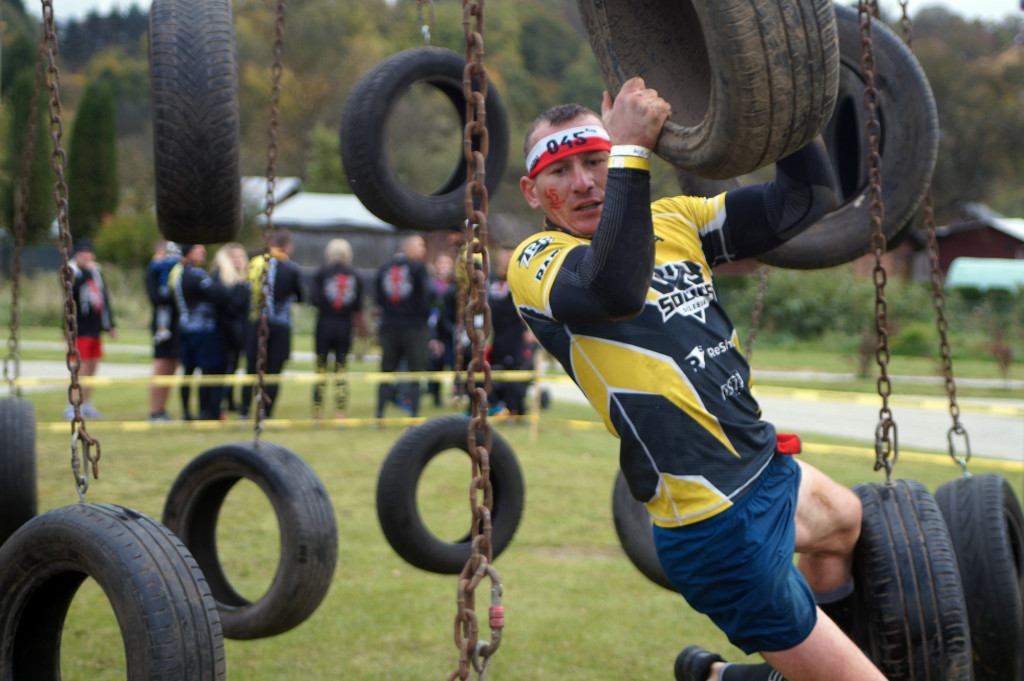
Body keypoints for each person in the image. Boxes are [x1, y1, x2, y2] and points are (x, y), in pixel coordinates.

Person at [507, 78, 884, 681]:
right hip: (713, 522)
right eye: (560, 171)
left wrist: (772, 83)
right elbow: (613, 286)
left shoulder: (676, 221)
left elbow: (805, 199)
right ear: (533, 191)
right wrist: (631, 150)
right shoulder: (538, 262)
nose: (581, 182)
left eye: (596, 160)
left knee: (843, 527)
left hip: (771, 472)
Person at [241, 229, 305, 419]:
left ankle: (244, 410)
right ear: (288, 246)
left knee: (251, 368)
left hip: (257, 323)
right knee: (274, 371)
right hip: (280, 325)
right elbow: (301, 297)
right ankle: (266, 414)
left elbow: (245, 293)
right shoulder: (291, 269)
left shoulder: (257, 263)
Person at [170, 244, 239, 421]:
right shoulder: (197, 275)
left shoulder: (178, 274)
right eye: (199, 250)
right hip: (201, 330)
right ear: (189, 253)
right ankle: (203, 411)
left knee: (188, 372)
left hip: (185, 327)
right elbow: (217, 295)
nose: (203, 253)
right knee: (206, 371)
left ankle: (187, 411)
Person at [373, 234, 432, 420]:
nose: (423, 250)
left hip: (390, 325)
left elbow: (378, 299)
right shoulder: (419, 268)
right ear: (407, 247)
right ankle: (414, 414)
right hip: (413, 327)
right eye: (420, 245)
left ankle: (380, 414)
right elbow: (427, 296)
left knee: (386, 371)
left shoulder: (384, 268)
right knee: (415, 371)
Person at [309, 238, 365, 420]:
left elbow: (314, 300)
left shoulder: (322, 273)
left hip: (325, 324)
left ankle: (317, 410)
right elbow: (357, 305)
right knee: (341, 369)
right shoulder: (354, 275)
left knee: (320, 368)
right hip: (344, 325)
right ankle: (340, 410)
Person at [64, 238, 117, 419]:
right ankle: (72, 405)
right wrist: (86, 271)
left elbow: (104, 299)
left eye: (89, 253)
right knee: (80, 368)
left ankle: (86, 403)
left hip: (95, 328)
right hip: (79, 329)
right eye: (82, 253)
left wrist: (110, 324)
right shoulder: (72, 272)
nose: (86, 257)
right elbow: (72, 292)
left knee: (92, 367)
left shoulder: (96, 273)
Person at [486, 245, 535, 417]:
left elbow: (530, 305)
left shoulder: (520, 279)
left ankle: (515, 409)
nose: (506, 259)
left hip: (516, 333)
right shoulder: (491, 280)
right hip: (496, 334)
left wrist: (530, 329)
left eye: (510, 256)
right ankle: (498, 406)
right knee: (495, 370)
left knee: (514, 371)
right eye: (504, 256)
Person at [210, 242, 249, 414]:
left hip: (237, 330)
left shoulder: (242, 280)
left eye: (240, 256)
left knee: (233, 366)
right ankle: (218, 404)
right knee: (223, 366)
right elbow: (231, 305)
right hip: (223, 330)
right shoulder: (221, 279)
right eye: (234, 257)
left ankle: (230, 400)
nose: (238, 260)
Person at [145, 238, 181, 421]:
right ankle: (154, 410)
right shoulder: (153, 270)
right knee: (161, 365)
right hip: (162, 324)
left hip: (176, 322)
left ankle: (162, 409)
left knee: (172, 365)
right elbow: (157, 298)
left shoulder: (174, 271)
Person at [426, 252, 456, 407]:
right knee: (436, 362)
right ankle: (435, 395)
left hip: (451, 330)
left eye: (448, 263)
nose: (445, 267)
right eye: (442, 263)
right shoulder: (432, 286)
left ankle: (456, 393)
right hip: (438, 331)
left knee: (454, 361)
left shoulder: (456, 286)